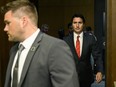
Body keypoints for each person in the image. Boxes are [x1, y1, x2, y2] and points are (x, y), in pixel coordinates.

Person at [1, 1, 79, 87]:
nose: (5, 28)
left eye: (8, 23)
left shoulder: (55, 47)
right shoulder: (14, 50)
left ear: (23, 21)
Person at [63, 13, 104, 87]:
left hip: (86, 77)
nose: (77, 25)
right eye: (75, 23)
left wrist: (99, 71)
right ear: (72, 24)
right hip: (70, 78)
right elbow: (61, 59)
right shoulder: (66, 40)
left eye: (80, 23)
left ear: (84, 24)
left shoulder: (90, 39)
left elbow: (97, 56)